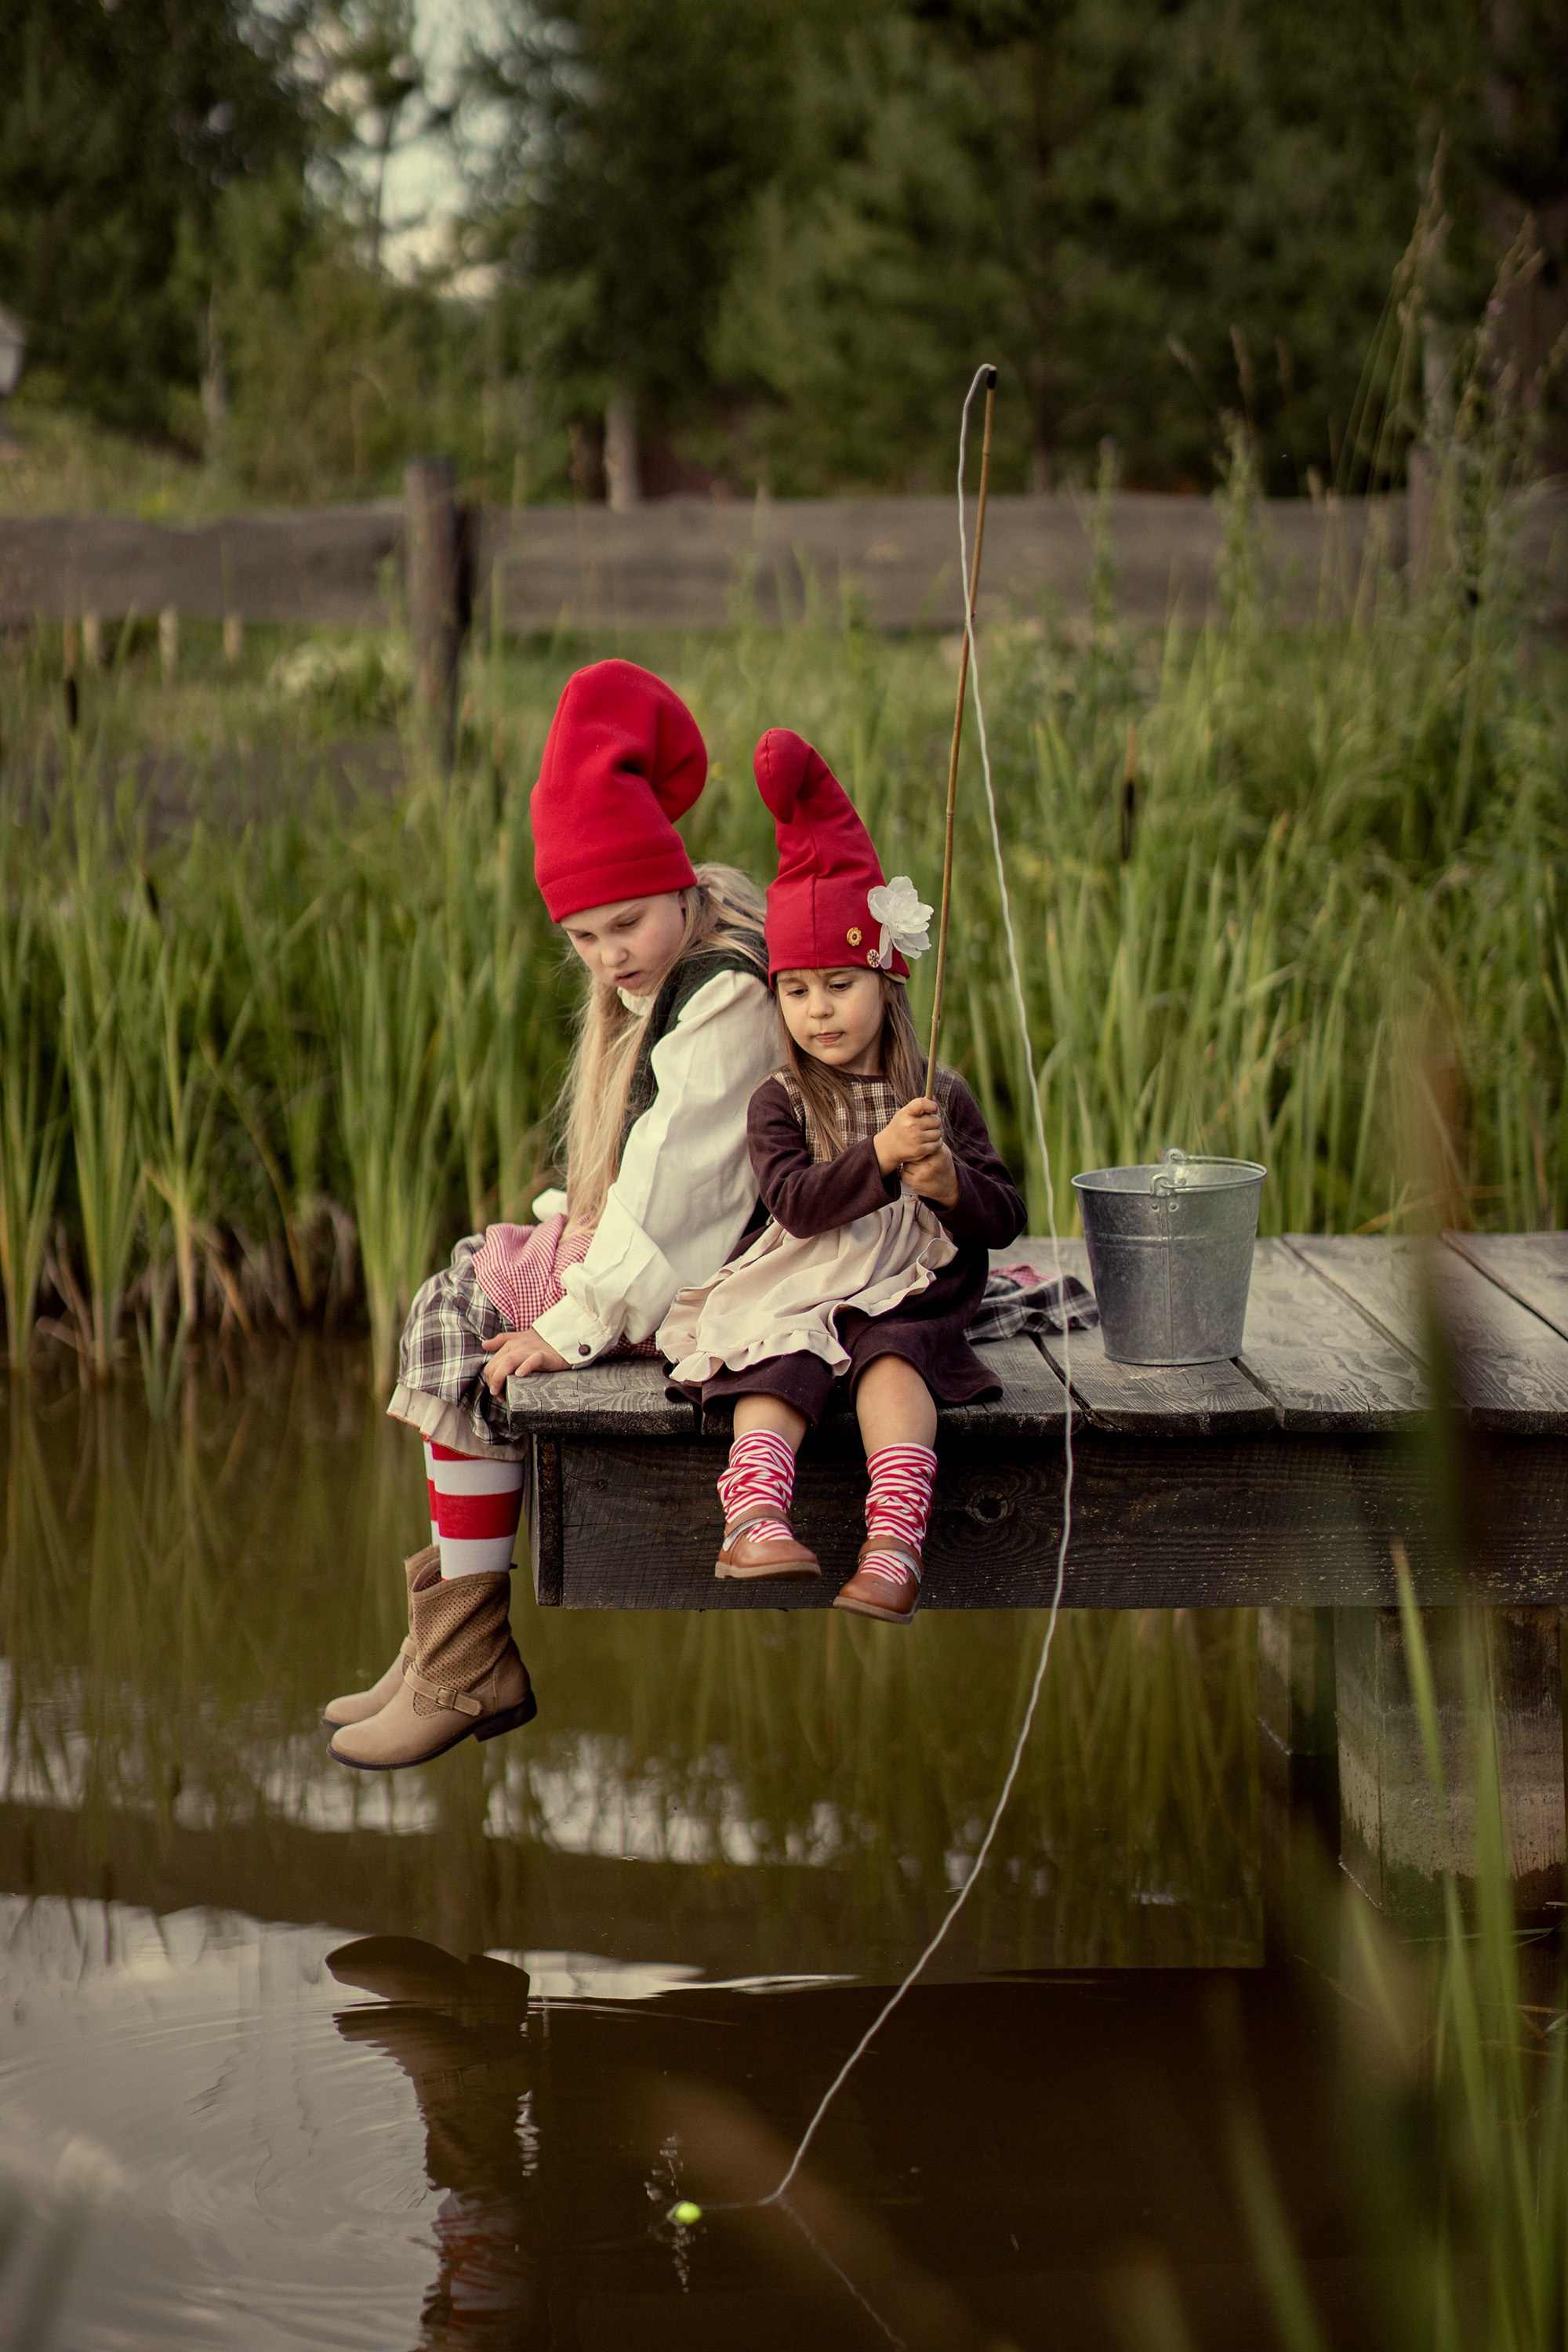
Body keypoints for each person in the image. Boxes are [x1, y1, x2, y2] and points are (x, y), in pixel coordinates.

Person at [325, 660, 776, 1769]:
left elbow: (681, 1186)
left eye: (626, 923)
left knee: (465, 1324)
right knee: (457, 1291)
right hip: (681, 1244)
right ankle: (444, 1634)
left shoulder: (723, 993)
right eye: (583, 937)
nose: (609, 955)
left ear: (678, 888)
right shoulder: (664, 965)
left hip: (730, 1262)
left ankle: (466, 1652)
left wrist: (572, 1322)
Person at [659, 728, 1026, 1626]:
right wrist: (880, 1158)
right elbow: (794, 1204)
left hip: (904, 1288)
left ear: (885, 982)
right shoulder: (778, 1101)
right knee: (775, 1356)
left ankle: (895, 1539)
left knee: (892, 1359)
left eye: (838, 985)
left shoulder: (933, 1093)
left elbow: (1003, 1216)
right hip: (806, 1273)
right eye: (796, 990)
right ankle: (753, 1518)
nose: (817, 1011)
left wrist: (946, 1183)